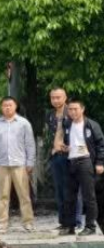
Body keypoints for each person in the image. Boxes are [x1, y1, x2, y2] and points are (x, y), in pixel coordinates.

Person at [0, 97, 37, 234]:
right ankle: (1, 223)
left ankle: (28, 222)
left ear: (15, 106)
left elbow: (30, 144)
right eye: (4, 105)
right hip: (2, 164)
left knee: (24, 195)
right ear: (1, 107)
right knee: (2, 195)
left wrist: (30, 162)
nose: (7, 107)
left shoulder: (24, 123)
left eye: (10, 105)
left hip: (19, 164)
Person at [60, 100, 105, 236]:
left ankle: (90, 226)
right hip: (71, 161)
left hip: (86, 161)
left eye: (75, 109)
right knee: (69, 196)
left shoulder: (91, 125)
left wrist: (100, 163)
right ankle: (70, 226)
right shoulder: (67, 123)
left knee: (88, 196)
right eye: (70, 109)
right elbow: (70, 141)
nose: (72, 112)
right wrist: (66, 148)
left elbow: (101, 144)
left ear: (82, 109)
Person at [46, 88, 84, 231]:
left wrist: (71, 146)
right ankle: (63, 222)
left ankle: (76, 221)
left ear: (65, 97)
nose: (55, 100)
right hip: (56, 156)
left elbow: (80, 132)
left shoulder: (72, 111)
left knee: (73, 189)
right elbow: (50, 134)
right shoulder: (50, 115)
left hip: (71, 156)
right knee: (59, 190)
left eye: (58, 97)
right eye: (53, 97)